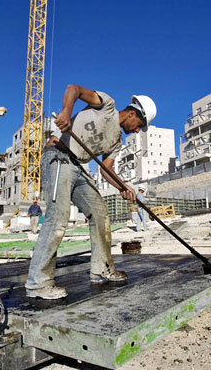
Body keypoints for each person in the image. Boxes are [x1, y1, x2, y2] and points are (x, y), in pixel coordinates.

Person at [25, 84, 157, 299]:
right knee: (58, 216)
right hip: (58, 156)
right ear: (133, 113)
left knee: (100, 212)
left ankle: (101, 269)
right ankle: (38, 283)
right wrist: (66, 112)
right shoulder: (107, 105)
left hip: (78, 167)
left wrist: (124, 188)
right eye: (139, 125)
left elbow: (106, 169)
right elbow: (73, 89)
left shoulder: (116, 142)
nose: (136, 130)